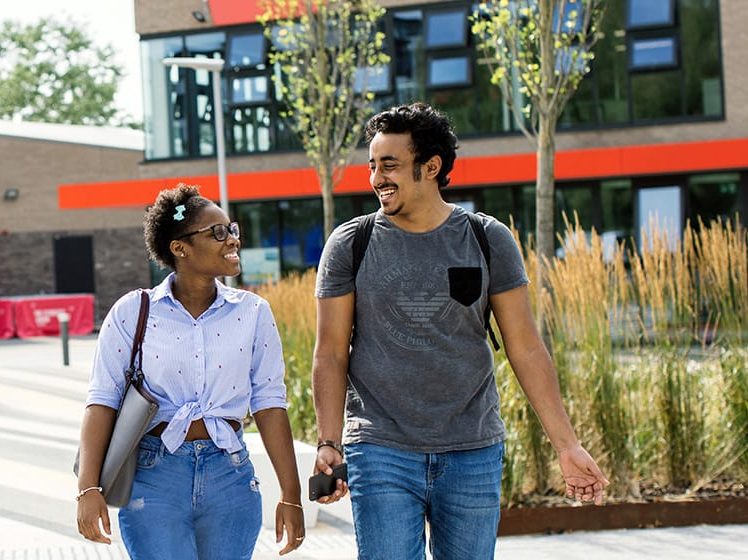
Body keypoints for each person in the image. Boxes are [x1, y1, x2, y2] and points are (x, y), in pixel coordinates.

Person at [312, 103, 609, 559]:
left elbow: (526, 348)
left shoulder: (487, 238)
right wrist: (329, 442)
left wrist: (567, 445)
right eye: (372, 165)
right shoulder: (352, 243)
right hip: (381, 447)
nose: (376, 178)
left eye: (389, 165)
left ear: (430, 167)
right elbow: (330, 353)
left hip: (473, 448)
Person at [75, 184, 305, 558]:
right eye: (217, 232)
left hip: (230, 476)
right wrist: (88, 489)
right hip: (154, 478)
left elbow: (269, 404)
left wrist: (290, 496)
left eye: (231, 229)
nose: (231, 239)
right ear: (180, 248)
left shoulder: (253, 312)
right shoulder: (133, 311)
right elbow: (102, 401)